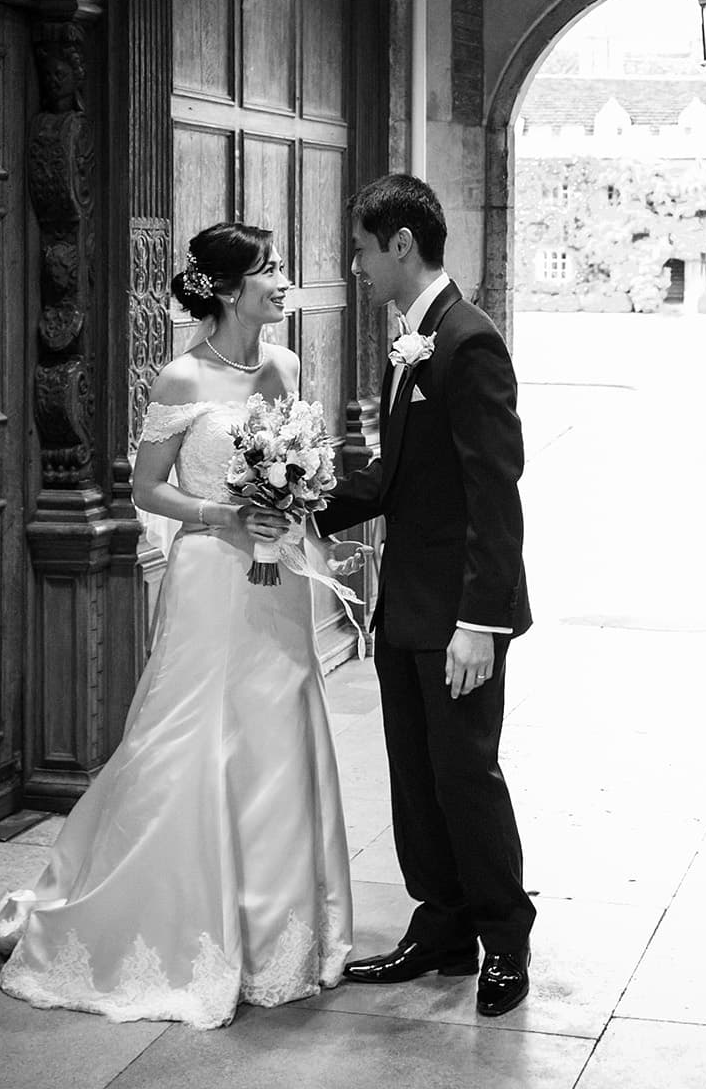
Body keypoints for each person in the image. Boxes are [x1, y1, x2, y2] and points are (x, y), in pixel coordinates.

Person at [0, 222, 354, 1026]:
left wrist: (292, 504)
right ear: (226, 289)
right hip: (211, 575)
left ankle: (278, 934)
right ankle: (168, 918)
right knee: (188, 733)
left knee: (276, 727)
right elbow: (149, 490)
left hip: (276, 577)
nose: (284, 280)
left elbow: (299, 459)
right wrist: (229, 512)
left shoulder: (284, 366)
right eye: (271, 270)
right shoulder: (180, 378)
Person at [315, 173, 535, 1017]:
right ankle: (441, 926)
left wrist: (479, 623)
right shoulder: (411, 339)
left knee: (464, 774)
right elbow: (392, 478)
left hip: (458, 616)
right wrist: (297, 503)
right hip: (406, 604)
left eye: (365, 250)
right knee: (414, 775)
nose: (358, 267)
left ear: (401, 244)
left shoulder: (468, 340)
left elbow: (495, 491)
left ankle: (505, 938)